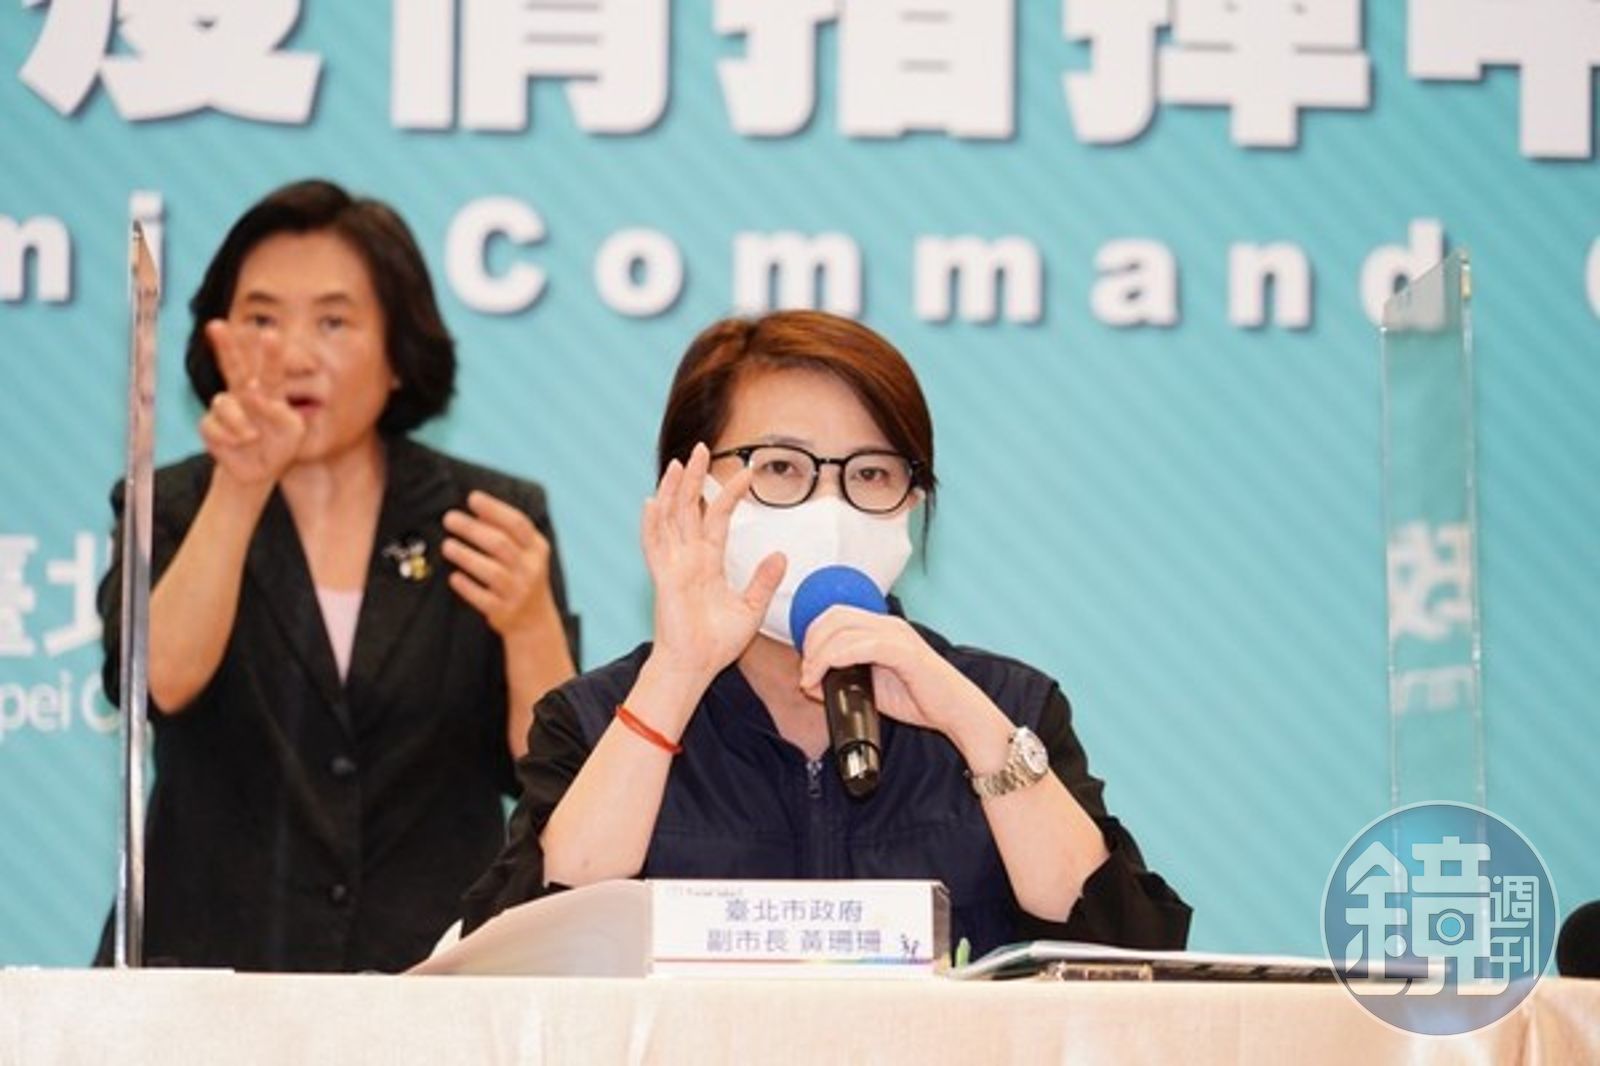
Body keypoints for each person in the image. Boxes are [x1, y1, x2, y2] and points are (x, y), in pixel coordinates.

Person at [462, 310, 1189, 957]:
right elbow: (513, 965)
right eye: (782, 467)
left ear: (913, 501)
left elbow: (1133, 963)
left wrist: (973, 727)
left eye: (871, 474)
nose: (830, 508)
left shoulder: (1009, 706)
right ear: (694, 487)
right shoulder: (596, 721)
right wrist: (676, 679)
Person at [96, 179, 579, 972]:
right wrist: (240, 487)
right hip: (205, 977)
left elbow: (553, 779)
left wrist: (530, 624)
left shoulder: (489, 517)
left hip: (430, 978)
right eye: (262, 318)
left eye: (333, 321)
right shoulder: (172, 504)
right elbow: (160, 683)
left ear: (398, 354)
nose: (293, 354)